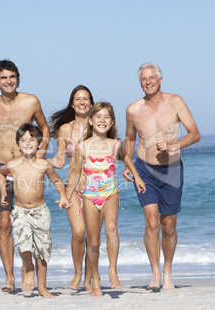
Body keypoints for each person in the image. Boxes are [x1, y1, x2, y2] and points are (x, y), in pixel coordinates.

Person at [122, 63, 200, 290]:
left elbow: (195, 134)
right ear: (140, 82)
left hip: (171, 170)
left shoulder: (175, 101)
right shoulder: (133, 109)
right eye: (143, 79)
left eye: (151, 77)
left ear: (160, 80)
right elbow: (129, 139)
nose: (148, 82)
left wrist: (172, 144)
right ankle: (155, 273)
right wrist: (127, 163)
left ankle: (168, 271)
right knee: (152, 221)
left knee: (168, 225)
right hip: (144, 169)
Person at [0, 60, 50, 293]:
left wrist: (40, 153)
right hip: (0, 166)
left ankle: (27, 264)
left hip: (25, 167)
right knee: (4, 222)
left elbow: (44, 128)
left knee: (29, 217)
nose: (8, 81)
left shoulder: (31, 101)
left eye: (12, 77)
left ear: (17, 78)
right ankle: (9, 277)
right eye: (3, 78)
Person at [67, 101, 146, 297]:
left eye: (106, 117)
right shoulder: (82, 146)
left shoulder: (115, 145)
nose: (102, 120)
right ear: (91, 121)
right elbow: (75, 173)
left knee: (111, 228)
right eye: (98, 117)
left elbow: (126, 158)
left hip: (110, 193)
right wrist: (66, 196)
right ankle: (95, 280)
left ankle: (113, 271)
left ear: (111, 123)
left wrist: (137, 177)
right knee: (93, 243)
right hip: (89, 197)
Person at [0, 124, 70, 298]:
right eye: (23, 140)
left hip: (41, 213)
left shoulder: (44, 164)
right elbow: (0, 173)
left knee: (43, 251)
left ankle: (42, 287)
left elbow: (56, 180)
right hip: (21, 211)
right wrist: (3, 191)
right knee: (23, 244)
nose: (28, 143)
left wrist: (64, 196)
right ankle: (28, 268)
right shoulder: (12, 164)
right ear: (17, 144)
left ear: (39, 144)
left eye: (32, 139)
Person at [48, 85, 94, 291]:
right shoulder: (65, 129)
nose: (82, 102)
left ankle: (89, 278)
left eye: (85, 99)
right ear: (72, 104)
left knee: (93, 237)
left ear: (91, 103)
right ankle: (77, 274)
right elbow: (60, 160)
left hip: (96, 186)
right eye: (77, 99)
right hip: (73, 187)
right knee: (78, 232)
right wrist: (37, 160)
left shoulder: (99, 125)